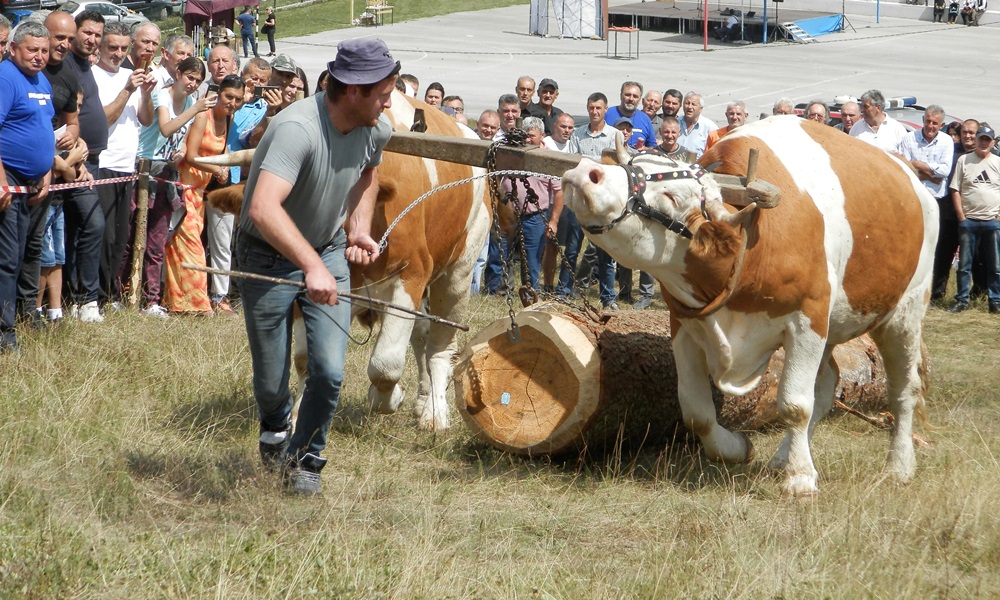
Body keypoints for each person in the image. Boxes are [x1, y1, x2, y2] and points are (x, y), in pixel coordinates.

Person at [238, 38, 397, 495]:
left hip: (327, 248)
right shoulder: (296, 129)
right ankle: (274, 427)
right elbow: (265, 209)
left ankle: (305, 456)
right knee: (271, 380)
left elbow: (368, 173)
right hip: (266, 253)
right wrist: (311, 267)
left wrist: (357, 228)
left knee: (329, 370)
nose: (389, 101)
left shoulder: (375, 128)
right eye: (383, 92)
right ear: (355, 90)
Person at [137, 55, 213, 318]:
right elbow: (166, 128)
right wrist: (196, 110)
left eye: (198, 80)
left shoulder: (191, 102)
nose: (193, 84)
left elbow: (179, 140)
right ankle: (126, 293)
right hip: (146, 167)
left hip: (168, 171)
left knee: (158, 239)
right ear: (178, 73)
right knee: (133, 237)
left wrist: (181, 152)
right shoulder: (163, 95)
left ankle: (152, 300)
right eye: (190, 77)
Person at [165, 74, 244, 315]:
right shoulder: (203, 116)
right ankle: (194, 304)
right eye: (228, 96)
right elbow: (191, 156)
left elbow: (222, 149)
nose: (232, 103)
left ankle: (179, 301)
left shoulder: (229, 119)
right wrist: (217, 168)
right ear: (218, 94)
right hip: (185, 187)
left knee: (190, 243)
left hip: (201, 190)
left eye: (238, 100)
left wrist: (227, 165)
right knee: (190, 246)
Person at [1, 21, 55, 352]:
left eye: (44, 51)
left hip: (34, 185)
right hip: (10, 182)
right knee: (7, 259)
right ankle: (4, 333)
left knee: (22, 256)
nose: (38, 57)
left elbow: (44, 126)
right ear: (13, 48)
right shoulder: (5, 77)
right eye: (31, 50)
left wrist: (46, 171)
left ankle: (19, 317)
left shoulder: (42, 80)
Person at [94, 21, 155, 309]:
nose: (117, 54)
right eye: (112, 47)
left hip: (126, 167)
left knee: (121, 237)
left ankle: (110, 296)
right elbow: (101, 123)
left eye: (122, 48)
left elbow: (146, 119)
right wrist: (128, 91)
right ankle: (93, 296)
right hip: (102, 165)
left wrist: (145, 93)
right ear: (101, 47)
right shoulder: (93, 76)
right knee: (103, 236)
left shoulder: (132, 76)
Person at [62, 10, 108, 323]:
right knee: (94, 224)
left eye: (97, 35)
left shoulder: (84, 64)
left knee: (80, 229)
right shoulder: (65, 65)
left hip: (91, 160)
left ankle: (76, 299)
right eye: (87, 32)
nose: (92, 39)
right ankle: (86, 298)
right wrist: (76, 157)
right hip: (73, 163)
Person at [491, 117, 562, 291]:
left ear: (542, 136)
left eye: (532, 136)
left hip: (535, 216)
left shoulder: (549, 158)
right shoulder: (511, 153)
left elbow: (559, 192)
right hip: (507, 214)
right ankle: (494, 290)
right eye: (526, 136)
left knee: (531, 259)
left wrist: (553, 221)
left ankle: (531, 292)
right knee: (499, 254)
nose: (528, 140)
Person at [571, 92, 625, 308]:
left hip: (604, 201)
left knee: (606, 253)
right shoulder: (577, 134)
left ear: (605, 110)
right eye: (591, 107)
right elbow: (572, 163)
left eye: (599, 108)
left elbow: (621, 167)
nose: (594, 111)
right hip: (579, 198)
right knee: (573, 247)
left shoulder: (615, 135)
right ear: (587, 108)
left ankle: (607, 297)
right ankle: (567, 289)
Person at [900, 106, 955, 306]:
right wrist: (931, 173)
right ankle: (908, 290)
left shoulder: (946, 141)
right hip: (913, 199)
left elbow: (945, 170)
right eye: (928, 121)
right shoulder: (909, 138)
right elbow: (904, 166)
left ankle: (936, 293)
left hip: (935, 201)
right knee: (912, 246)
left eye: (934, 123)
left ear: (941, 125)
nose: (930, 126)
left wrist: (919, 165)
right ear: (924, 119)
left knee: (936, 248)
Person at [948, 125, 1000, 314]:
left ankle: (995, 301)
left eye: (988, 140)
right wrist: (961, 216)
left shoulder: (998, 162)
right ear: (976, 140)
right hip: (969, 220)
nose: (984, 142)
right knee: (964, 265)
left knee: (995, 265)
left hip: (992, 222)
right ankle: (962, 300)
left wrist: (999, 216)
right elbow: (955, 189)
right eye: (981, 139)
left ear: (992, 143)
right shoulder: (964, 160)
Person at [849, 89, 908, 153]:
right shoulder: (856, 128)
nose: (862, 110)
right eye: (862, 107)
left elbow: (904, 158)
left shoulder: (897, 129)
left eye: (866, 107)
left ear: (878, 108)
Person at [605, 81, 655, 149]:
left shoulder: (645, 119)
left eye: (635, 96)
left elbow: (653, 147)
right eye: (628, 95)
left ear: (640, 99)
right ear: (621, 95)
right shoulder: (607, 114)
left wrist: (645, 149)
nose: (631, 99)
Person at [677, 91, 718, 157]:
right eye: (687, 103)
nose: (689, 107)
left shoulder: (710, 127)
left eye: (693, 104)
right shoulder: (675, 123)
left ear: (701, 109)